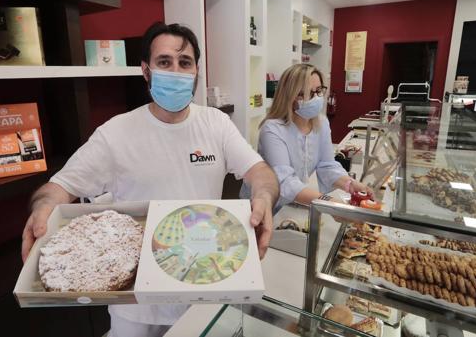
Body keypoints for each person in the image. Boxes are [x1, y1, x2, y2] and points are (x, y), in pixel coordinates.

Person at [21, 22, 279, 337]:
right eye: (164, 62)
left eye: (184, 63)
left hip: (204, 288)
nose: (175, 70)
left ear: (196, 70)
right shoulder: (115, 133)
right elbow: (58, 188)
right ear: (146, 71)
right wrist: (43, 208)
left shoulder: (216, 124)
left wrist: (264, 197)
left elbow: (260, 172)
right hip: (137, 305)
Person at [241, 63, 372, 214]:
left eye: (318, 91)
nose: (315, 98)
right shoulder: (272, 129)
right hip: (262, 205)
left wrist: (351, 185)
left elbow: (327, 165)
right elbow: (285, 182)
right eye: (305, 93)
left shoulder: (321, 123)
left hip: (292, 203)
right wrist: (329, 203)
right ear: (289, 96)